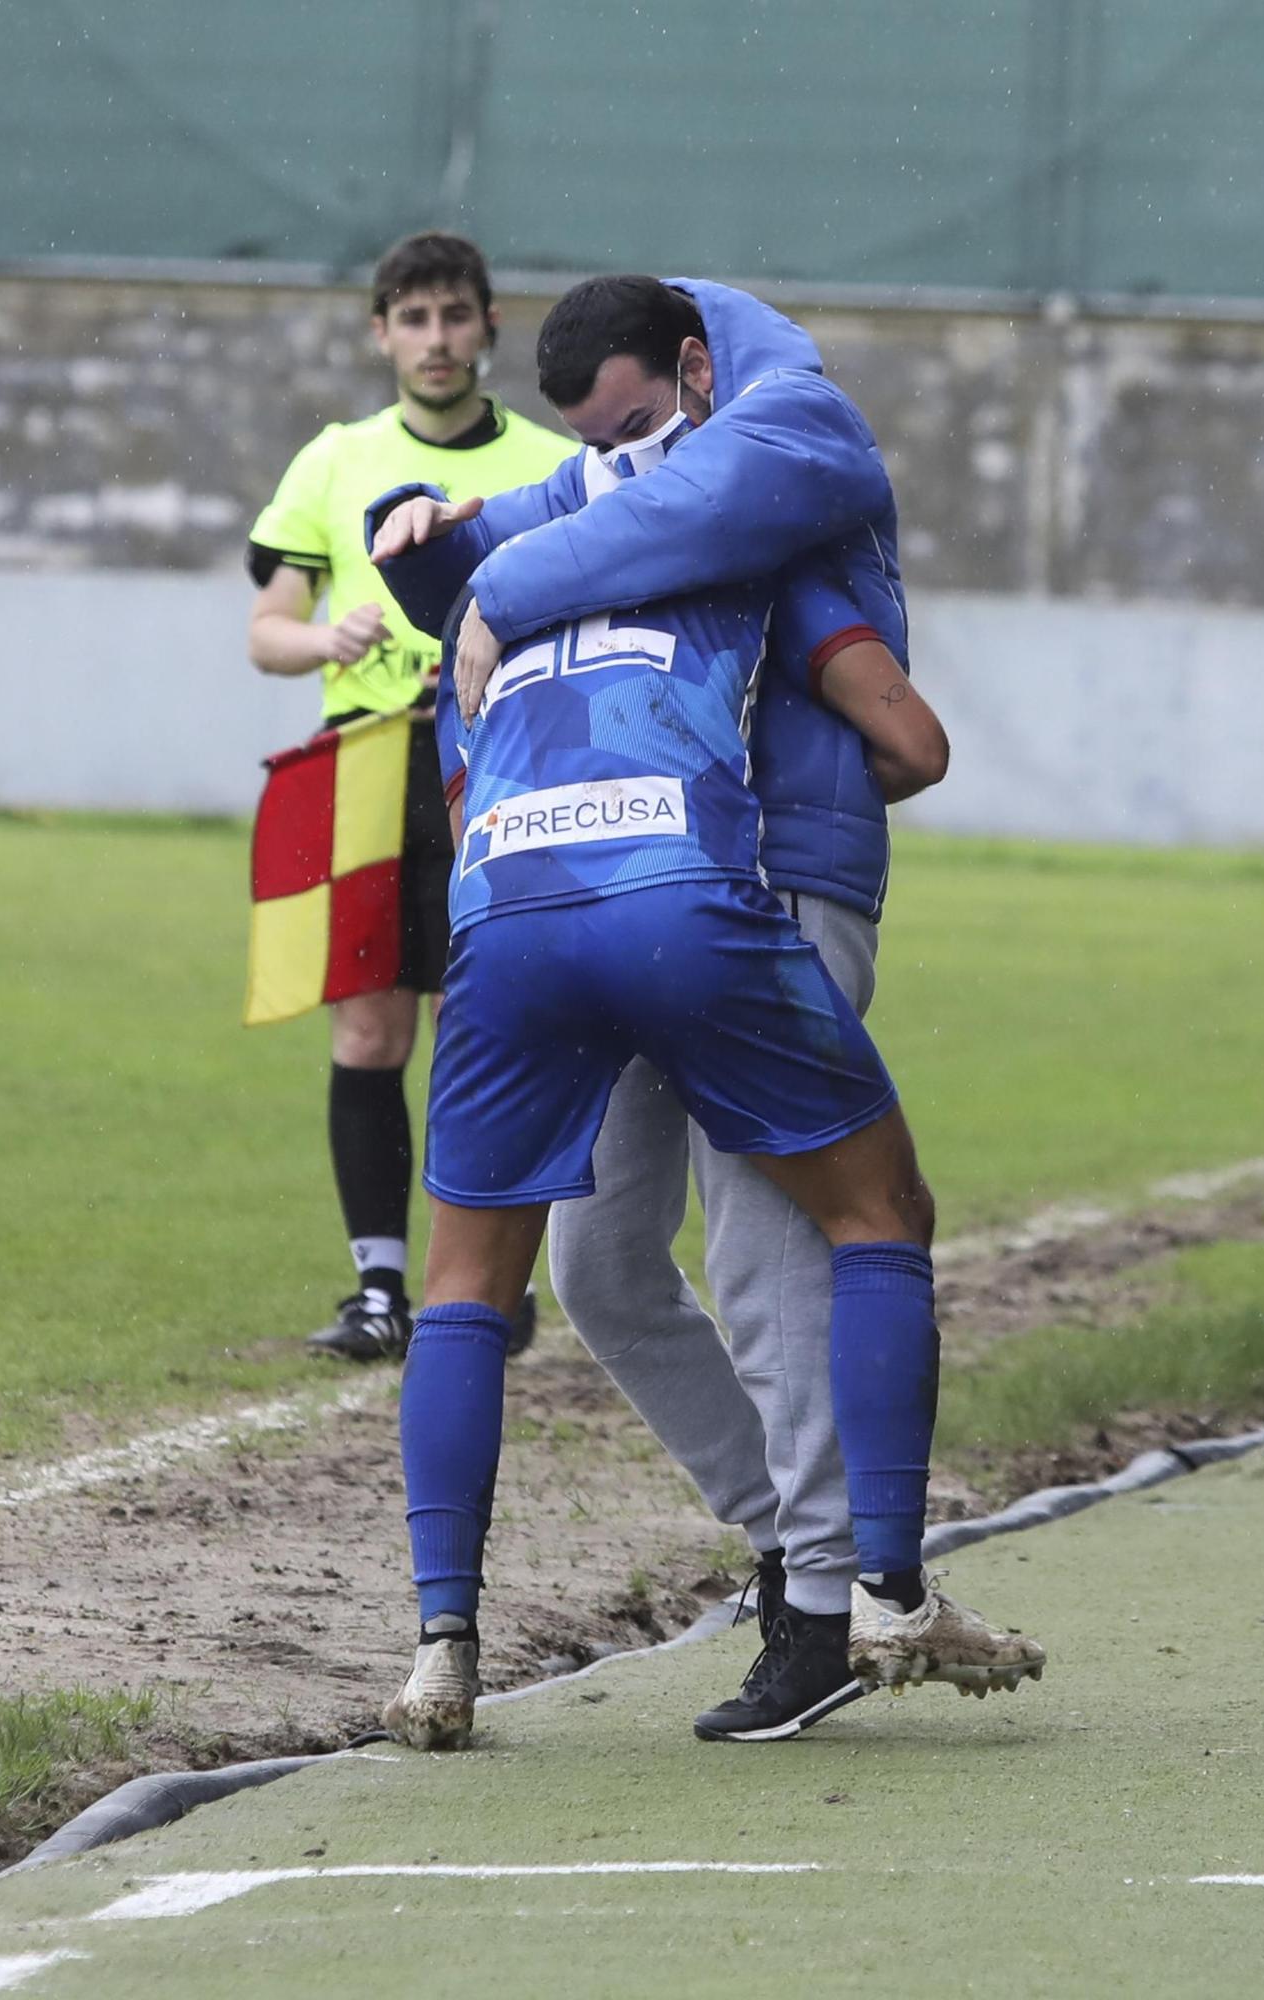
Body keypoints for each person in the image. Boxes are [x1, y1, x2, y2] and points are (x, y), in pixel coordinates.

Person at [369, 276, 946, 1742]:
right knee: (607, 1265)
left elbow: (477, 704)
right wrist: (441, 542)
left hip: (725, 879)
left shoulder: (772, 447)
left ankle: (835, 1599)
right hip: (679, 885)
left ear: (694, 372)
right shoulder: (618, 506)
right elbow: (910, 735)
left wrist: (481, 581)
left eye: (634, 430)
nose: (618, 463)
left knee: (755, 1258)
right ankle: (815, 1555)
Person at [246, 231, 569, 1362]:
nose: (435, 339)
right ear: (380, 331)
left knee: (480, 1028)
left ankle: (483, 1285)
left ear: (489, 327)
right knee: (370, 1029)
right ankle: (378, 1290)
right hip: (362, 772)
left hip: (495, 766)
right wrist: (320, 633)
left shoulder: (544, 461)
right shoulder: (333, 459)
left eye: (454, 316)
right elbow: (264, 630)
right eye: (413, 318)